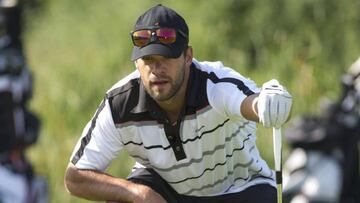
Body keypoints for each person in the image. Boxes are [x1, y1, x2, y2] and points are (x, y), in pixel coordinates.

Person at [64, 4, 292, 203]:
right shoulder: (120, 104)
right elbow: (75, 177)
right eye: (148, 60)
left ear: (188, 57)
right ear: (136, 64)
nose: (156, 69)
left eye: (167, 58)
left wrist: (269, 103)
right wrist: (137, 193)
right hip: (167, 193)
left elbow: (252, 104)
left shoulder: (215, 85)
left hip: (240, 190)